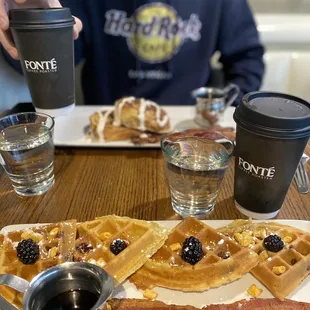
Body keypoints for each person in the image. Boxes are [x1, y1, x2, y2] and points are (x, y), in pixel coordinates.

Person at [0, 0, 264, 107]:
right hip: (104, 128)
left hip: (188, 130)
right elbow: (46, 64)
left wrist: (226, 108)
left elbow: (247, 57)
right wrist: (26, 24)